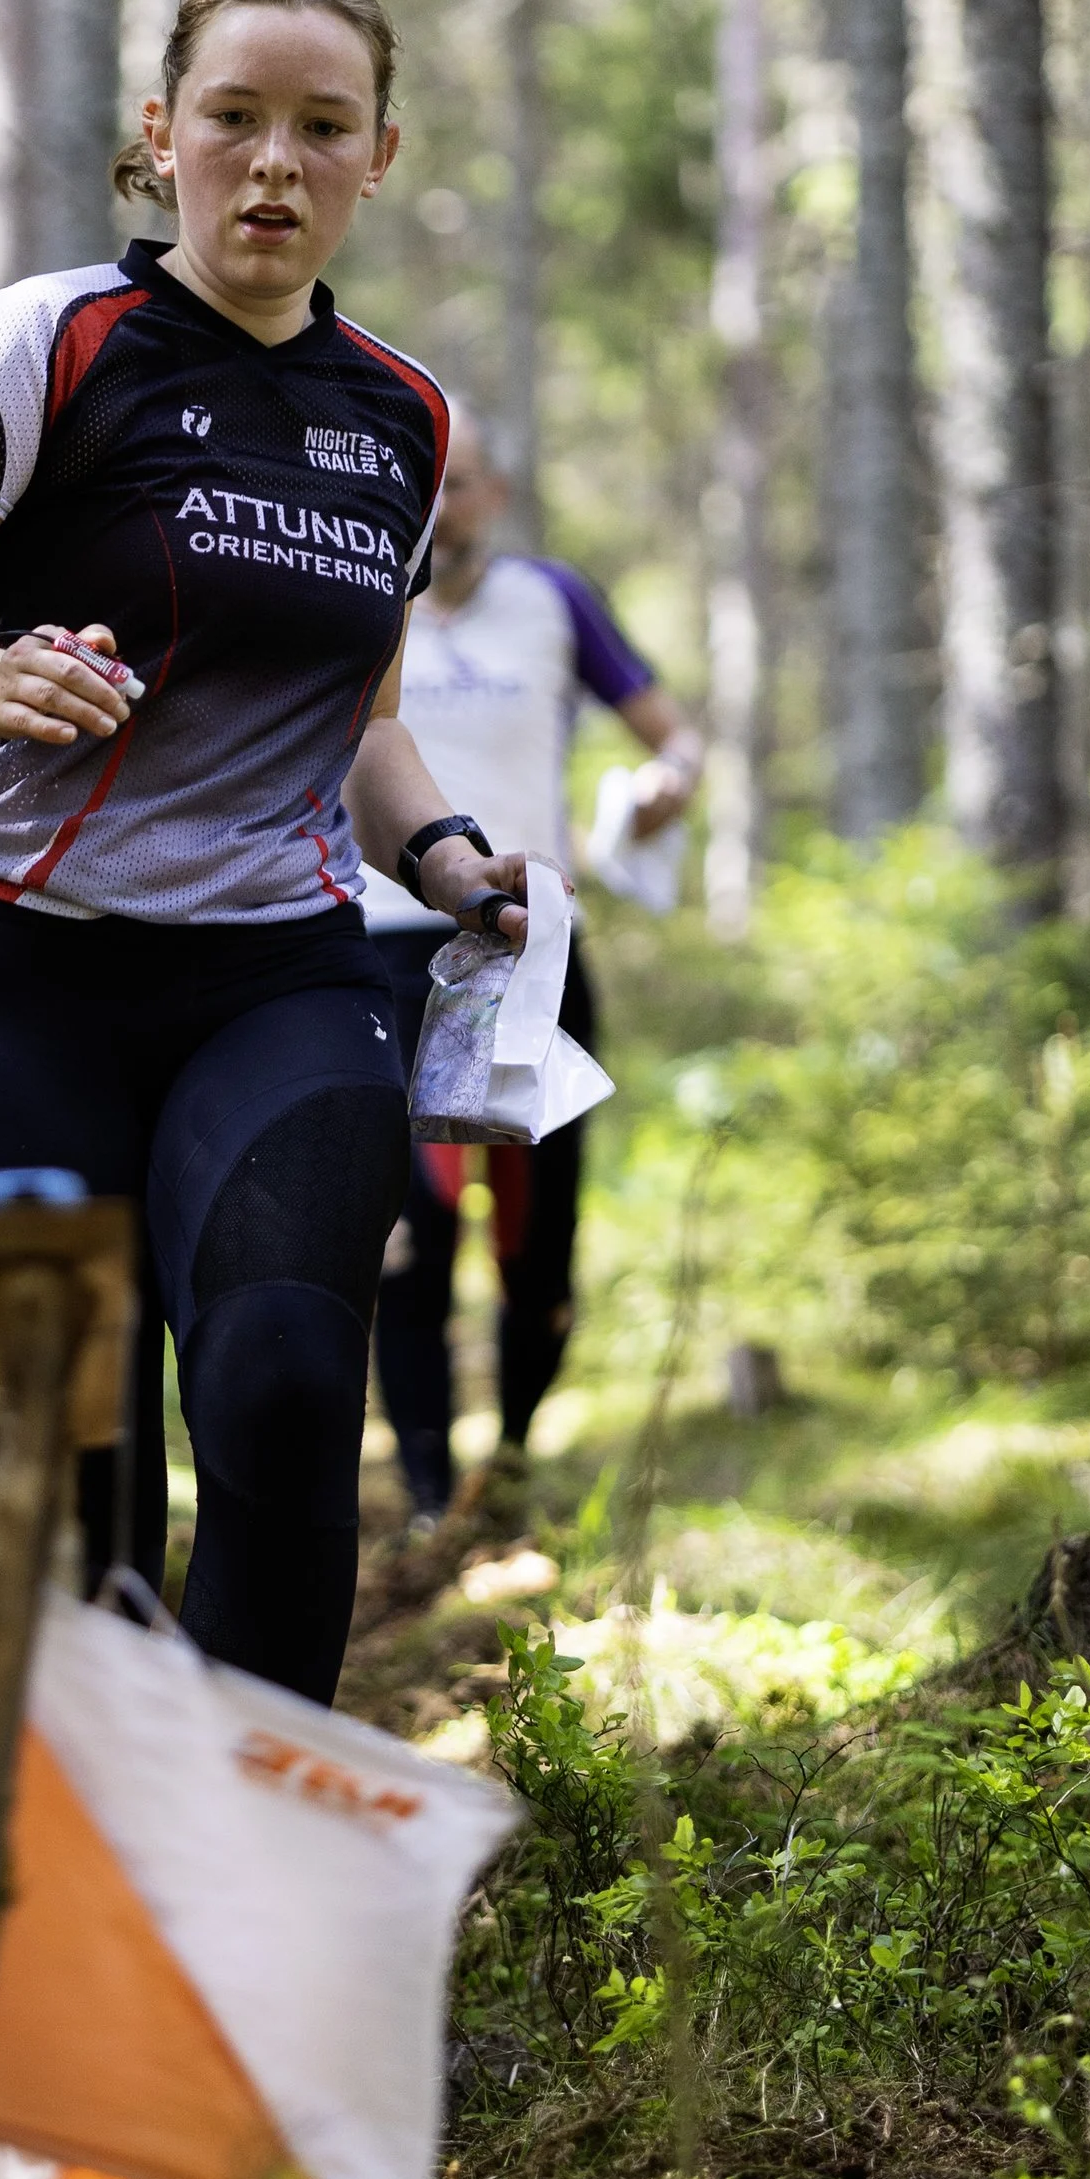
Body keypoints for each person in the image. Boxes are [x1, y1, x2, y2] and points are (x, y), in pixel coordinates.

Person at [0, 0, 530, 1707]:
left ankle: (233, 1873)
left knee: (285, 1395)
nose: (273, 162)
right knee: (70, 1483)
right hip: (14, 985)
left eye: (320, 127)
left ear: (380, 156)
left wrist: (443, 858)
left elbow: (359, 722)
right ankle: (37, 1897)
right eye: (235, 119)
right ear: (163, 135)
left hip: (278, 980)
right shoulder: (48, 344)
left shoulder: (407, 419)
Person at [364, 410, 702, 1517]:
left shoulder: (552, 600)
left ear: (495, 494)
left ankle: (504, 1464)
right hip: (379, 944)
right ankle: (421, 1488)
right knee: (403, 1231)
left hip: (527, 944)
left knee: (532, 1233)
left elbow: (675, 735)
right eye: (426, 484)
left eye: (460, 483)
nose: (441, 504)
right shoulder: (363, 593)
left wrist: (663, 787)